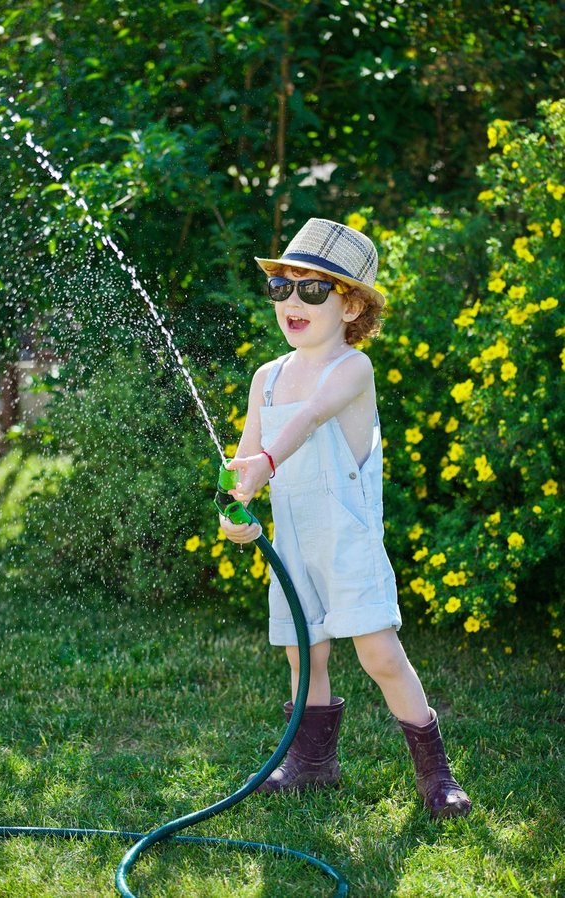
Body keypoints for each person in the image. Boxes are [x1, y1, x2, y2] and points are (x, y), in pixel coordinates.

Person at [219, 218, 471, 818]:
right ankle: (313, 764)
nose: (292, 302)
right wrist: (234, 509)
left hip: (348, 539)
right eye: (284, 288)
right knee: (305, 654)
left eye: (312, 290)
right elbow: (241, 458)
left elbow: (308, 420)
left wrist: (266, 463)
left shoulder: (353, 369)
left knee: (379, 653)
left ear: (351, 304)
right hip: (297, 538)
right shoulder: (267, 377)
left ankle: (436, 774)